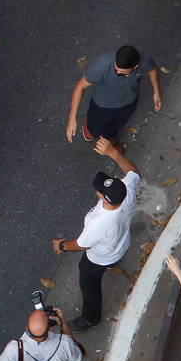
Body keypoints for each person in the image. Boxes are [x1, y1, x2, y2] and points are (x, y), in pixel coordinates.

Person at [51, 137, 140, 331]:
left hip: (99, 259)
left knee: (88, 283)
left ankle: (91, 318)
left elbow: (81, 244)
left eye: (99, 190)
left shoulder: (99, 224)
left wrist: (62, 245)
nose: (97, 190)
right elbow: (133, 171)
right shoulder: (127, 192)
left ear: (105, 199)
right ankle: (114, 263)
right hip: (120, 244)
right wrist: (113, 153)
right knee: (112, 258)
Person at [65, 45, 161, 149]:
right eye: (116, 69)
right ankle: (89, 126)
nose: (117, 72)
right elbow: (80, 86)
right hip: (102, 106)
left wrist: (156, 92)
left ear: (135, 66)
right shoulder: (102, 64)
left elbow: (152, 70)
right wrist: (72, 118)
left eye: (123, 72)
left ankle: (109, 138)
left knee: (116, 126)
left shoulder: (144, 61)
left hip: (128, 104)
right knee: (94, 130)